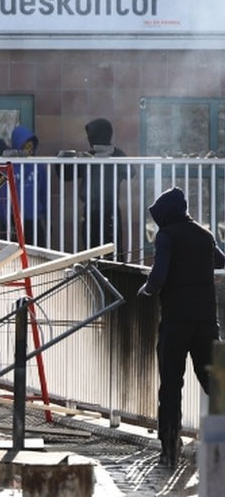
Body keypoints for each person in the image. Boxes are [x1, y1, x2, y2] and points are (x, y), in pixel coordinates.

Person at [138, 187, 225, 467]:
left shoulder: (166, 236)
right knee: (215, 384)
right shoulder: (205, 235)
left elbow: (159, 276)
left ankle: (170, 448)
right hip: (206, 322)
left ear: (166, 213)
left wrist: (146, 290)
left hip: (176, 322)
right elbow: (221, 262)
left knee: (172, 384)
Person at [75, 118, 133, 260]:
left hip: (110, 208)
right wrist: (67, 159)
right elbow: (67, 174)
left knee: (113, 249)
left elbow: (131, 172)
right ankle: (94, 279)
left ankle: (114, 279)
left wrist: (110, 160)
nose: (89, 139)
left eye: (92, 135)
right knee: (90, 247)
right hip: (91, 208)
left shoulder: (117, 154)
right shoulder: (89, 156)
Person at [0, 125, 47, 246]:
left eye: (31, 144)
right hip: (12, 220)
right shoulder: (6, 166)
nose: (28, 147)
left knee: (37, 253)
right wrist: (3, 216)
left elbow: (44, 192)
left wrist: (46, 215)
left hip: (33, 218)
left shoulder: (38, 166)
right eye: (25, 144)